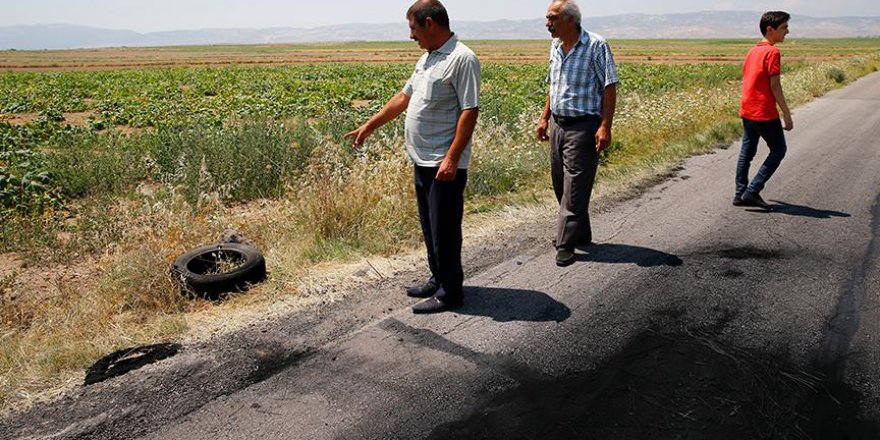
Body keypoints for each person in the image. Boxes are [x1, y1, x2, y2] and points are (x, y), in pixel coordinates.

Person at [345, 0, 480, 314]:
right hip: (422, 159)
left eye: (413, 28)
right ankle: (438, 277)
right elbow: (403, 98)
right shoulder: (427, 59)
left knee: (445, 229)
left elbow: (470, 112)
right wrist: (369, 125)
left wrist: (451, 158)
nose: (410, 35)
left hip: (443, 164)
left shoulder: (462, 58)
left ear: (430, 23)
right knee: (431, 226)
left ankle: (451, 292)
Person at [536, 0, 618, 267]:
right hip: (559, 124)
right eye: (548, 18)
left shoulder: (596, 45)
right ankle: (580, 232)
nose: (548, 23)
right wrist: (544, 117)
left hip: (584, 126)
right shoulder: (555, 46)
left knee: (574, 187)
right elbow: (553, 85)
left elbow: (609, 86)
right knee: (561, 183)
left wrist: (605, 126)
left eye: (552, 18)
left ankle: (565, 243)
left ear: (570, 20)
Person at [735, 11, 793, 210]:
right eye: (784, 27)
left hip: (747, 108)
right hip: (763, 111)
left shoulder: (752, 51)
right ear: (771, 29)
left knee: (747, 151)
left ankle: (739, 193)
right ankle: (752, 191)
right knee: (779, 149)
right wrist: (786, 112)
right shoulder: (772, 52)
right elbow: (775, 86)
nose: (787, 31)